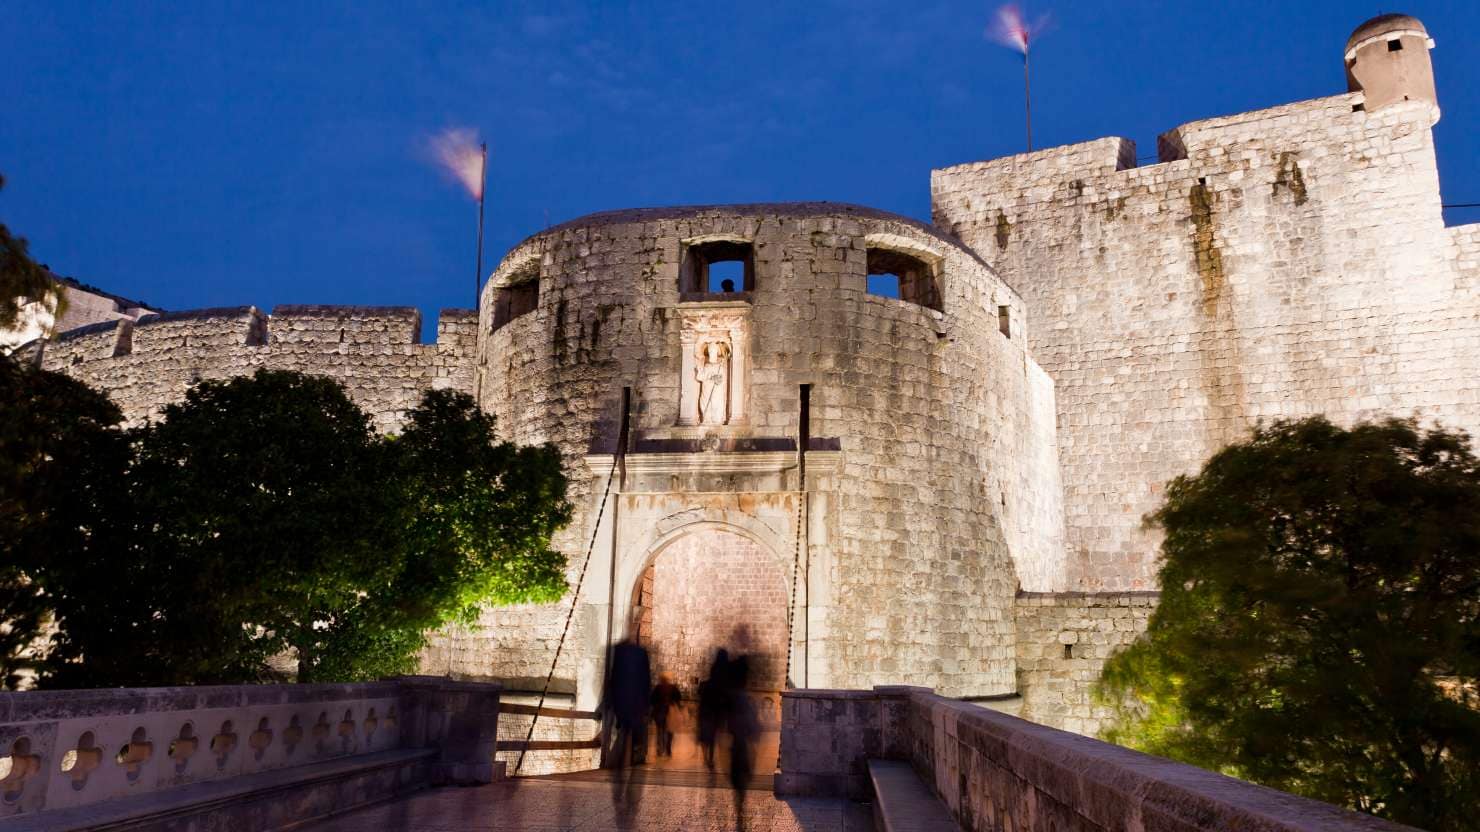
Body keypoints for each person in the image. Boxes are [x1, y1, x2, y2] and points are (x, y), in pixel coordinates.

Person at [602, 638, 651, 816]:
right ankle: (633, 764)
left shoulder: (619, 653)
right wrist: (646, 706)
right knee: (632, 736)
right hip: (636, 707)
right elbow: (646, 682)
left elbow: (613, 679)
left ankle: (620, 770)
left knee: (623, 735)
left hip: (622, 706)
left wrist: (611, 703)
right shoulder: (641, 654)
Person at [697, 648, 730, 771]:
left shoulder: (711, 678)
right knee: (712, 737)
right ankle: (710, 758)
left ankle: (707, 758)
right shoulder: (725, 673)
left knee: (707, 736)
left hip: (707, 711)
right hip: (716, 712)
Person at [650, 672, 682, 758]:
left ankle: (661, 748)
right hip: (667, 712)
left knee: (661, 731)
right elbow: (678, 697)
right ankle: (666, 748)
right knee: (668, 731)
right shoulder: (672, 688)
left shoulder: (658, 688)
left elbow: (652, 700)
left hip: (661, 712)